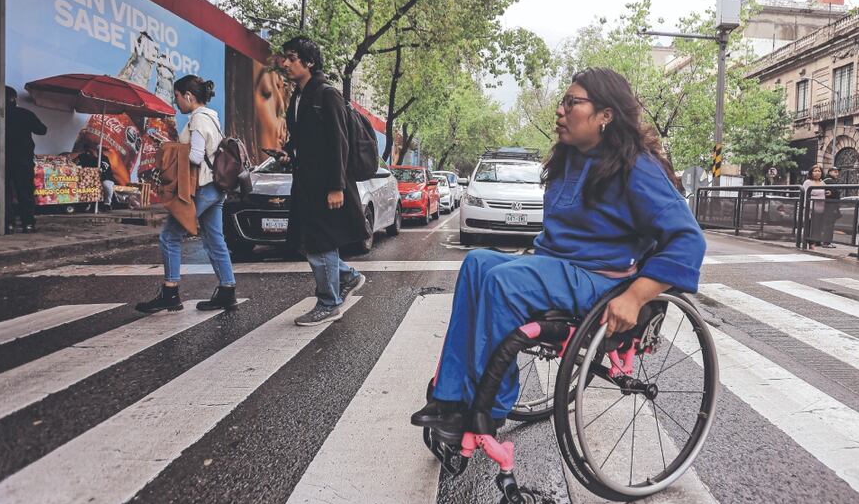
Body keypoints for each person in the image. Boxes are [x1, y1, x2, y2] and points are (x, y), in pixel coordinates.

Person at [410, 68, 705, 434]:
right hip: (557, 267)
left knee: (504, 282)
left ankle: (488, 405)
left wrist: (635, 297)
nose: (560, 112)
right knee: (476, 263)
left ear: (606, 115)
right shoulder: (569, 160)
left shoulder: (636, 167)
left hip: (599, 279)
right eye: (562, 103)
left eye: (572, 103)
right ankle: (450, 396)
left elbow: (689, 241)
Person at [274, 36, 368, 326]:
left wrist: (337, 186)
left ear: (309, 62)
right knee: (309, 241)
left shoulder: (326, 95)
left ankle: (329, 302)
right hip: (307, 183)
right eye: (285, 57)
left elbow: (339, 143)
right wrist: (289, 154)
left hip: (326, 185)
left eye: (292, 58)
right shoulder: (299, 97)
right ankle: (347, 276)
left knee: (320, 244)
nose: (285, 63)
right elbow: (304, 139)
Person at [135, 75, 238, 313]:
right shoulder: (213, 118)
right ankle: (227, 290)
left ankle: (170, 292)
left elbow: (195, 156)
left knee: (170, 235)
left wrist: (171, 148)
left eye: (178, 96)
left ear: (189, 96)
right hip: (216, 188)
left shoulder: (198, 120)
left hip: (203, 188)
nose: (176, 101)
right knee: (214, 239)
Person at [0, 86, 47, 233]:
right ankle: (28, 224)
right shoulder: (24, 114)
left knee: (2, 194)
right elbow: (42, 130)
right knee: (25, 192)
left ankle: (7, 225)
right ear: (13, 98)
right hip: (21, 161)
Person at [802, 164, 825, 250]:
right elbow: (804, 195)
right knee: (810, 226)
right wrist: (807, 207)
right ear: (811, 173)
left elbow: (825, 193)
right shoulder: (808, 182)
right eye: (815, 171)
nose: (817, 173)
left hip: (821, 209)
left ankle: (815, 242)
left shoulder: (822, 183)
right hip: (811, 209)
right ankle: (810, 243)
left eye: (819, 171)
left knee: (817, 227)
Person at [820, 167, 842, 248]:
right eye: (835, 172)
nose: (837, 174)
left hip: (829, 205)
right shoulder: (829, 181)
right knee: (829, 225)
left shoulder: (827, 181)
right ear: (829, 172)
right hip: (830, 206)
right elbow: (835, 192)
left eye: (837, 172)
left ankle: (825, 242)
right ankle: (826, 242)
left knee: (828, 224)